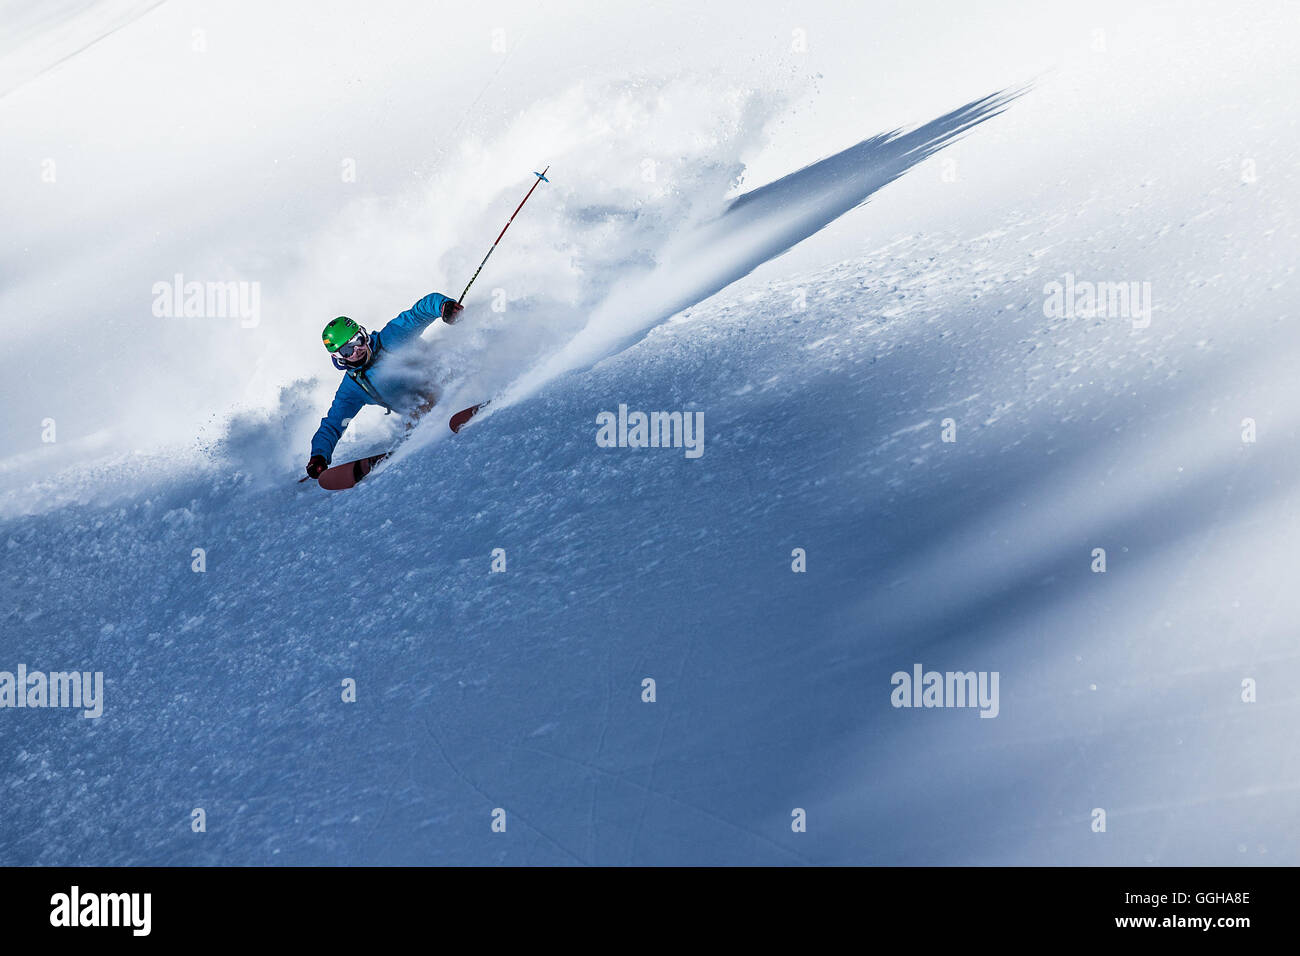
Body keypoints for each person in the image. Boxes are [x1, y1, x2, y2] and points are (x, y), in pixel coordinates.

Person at [305, 292, 463, 478]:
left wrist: (444, 307)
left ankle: (464, 393)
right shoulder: (353, 387)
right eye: (348, 349)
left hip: (445, 377)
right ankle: (421, 434)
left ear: (363, 333)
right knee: (417, 417)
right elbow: (333, 424)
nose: (358, 350)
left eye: (358, 340)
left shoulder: (391, 338)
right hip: (419, 409)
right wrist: (319, 455)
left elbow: (419, 312)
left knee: (428, 400)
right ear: (338, 357)